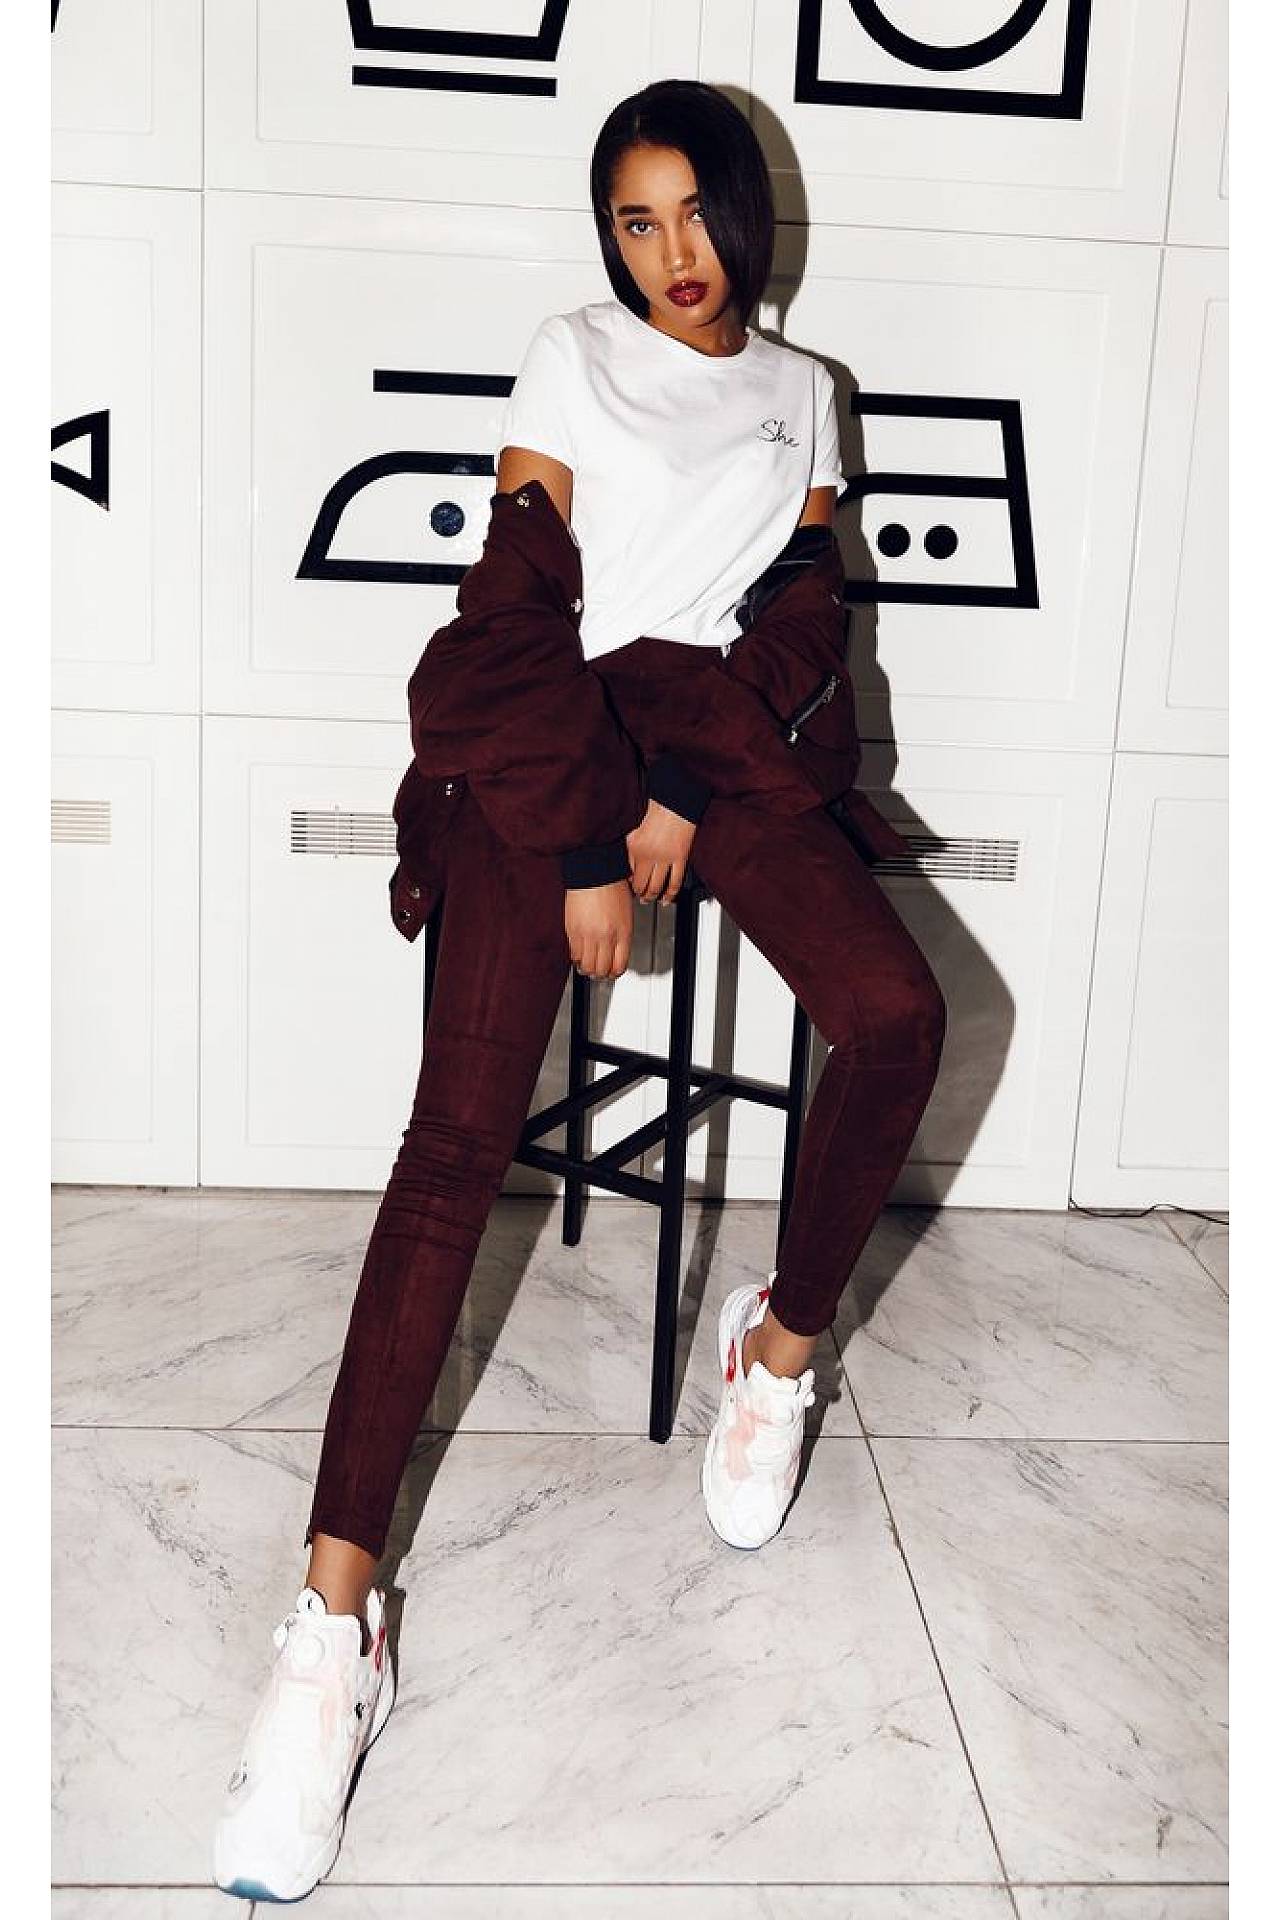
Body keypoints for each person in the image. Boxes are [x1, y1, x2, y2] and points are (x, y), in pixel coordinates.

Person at [212, 79, 946, 1903]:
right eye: (635, 220)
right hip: (549, 724)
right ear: (604, 237)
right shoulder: (571, 355)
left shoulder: (806, 392)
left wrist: (683, 793)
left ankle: (777, 1350)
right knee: (456, 1143)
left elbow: (801, 619)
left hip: (722, 735)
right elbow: (521, 598)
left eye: (695, 212)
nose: (672, 254)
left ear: (745, 214)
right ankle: (334, 1629)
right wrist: (574, 844)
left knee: (899, 1018)